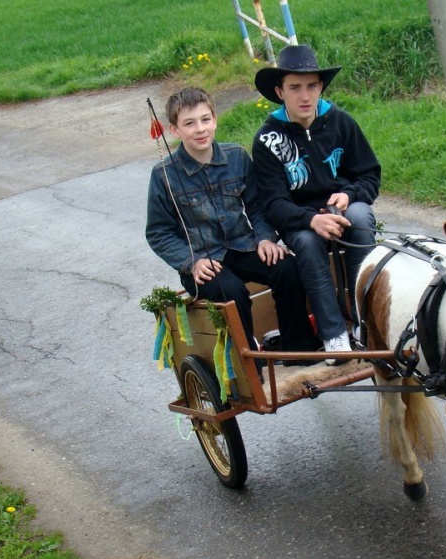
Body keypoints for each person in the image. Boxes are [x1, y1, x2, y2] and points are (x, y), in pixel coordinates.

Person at [146, 87, 321, 369]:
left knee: (287, 268)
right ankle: (247, 360)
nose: (200, 129)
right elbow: (159, 232)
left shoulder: (237, 157)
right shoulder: (163, 175)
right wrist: (191, 263)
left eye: (205, 120)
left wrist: (265, 238)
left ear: (215, 119)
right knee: (232, 291)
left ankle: (298, 347)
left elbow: (257, 206)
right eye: (189, 123)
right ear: (175, 130)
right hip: (204, 261)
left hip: (242, 245)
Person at [252, 45, 380, 364]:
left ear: (320, 87)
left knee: (361, 217)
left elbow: (369, 174)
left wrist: (349, 194)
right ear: (280, 91)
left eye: (311, 86)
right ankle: (334, 334)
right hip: (299, 221)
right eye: (295, 88)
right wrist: (311, 220)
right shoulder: (268, 139)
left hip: (342, 208)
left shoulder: (341, 122)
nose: (304, 96)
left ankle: (366, 321)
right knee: (308, 245)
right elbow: (274, 202)